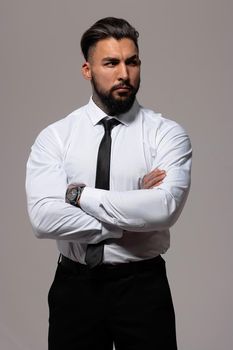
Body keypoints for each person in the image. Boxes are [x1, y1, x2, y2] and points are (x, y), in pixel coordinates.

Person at [26, 17, 192, 350]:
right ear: (87, 70)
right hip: (75, 288)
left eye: (131, 62)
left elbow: (162, 210)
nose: (124, 74)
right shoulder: (56, 137)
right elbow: (43, 219)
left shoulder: (167, 135)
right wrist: (132, 207)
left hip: (142, 287)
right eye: (111, 63)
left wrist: (78, 195)